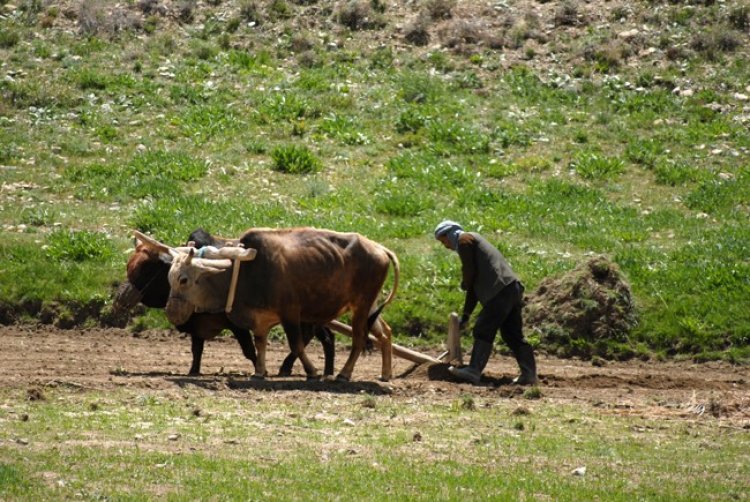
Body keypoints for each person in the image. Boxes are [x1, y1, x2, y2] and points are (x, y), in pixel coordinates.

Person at [434, 220, 538, 385]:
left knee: (483, 328)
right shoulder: (472, 243)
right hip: (511, 288)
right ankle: (529, 374)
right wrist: (466, 315)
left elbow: (470, 274)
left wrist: (466, 281)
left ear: (449, 234)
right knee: (512, 334)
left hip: (501, 290)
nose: (444, 245)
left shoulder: (464, 240)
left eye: (443, 240)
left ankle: (474, 370)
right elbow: (473, 288)